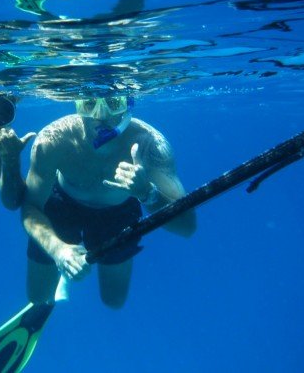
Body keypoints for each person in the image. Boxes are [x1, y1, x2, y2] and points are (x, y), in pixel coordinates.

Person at [22, 96, 196, 308]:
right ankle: (62, 274)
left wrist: (147, 193)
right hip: (62, 204)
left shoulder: (149, 144)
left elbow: (187, 226)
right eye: (89, 104)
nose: (100, 115)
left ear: (128, 105)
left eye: (113, 103)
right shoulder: (53, 140)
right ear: (76, 104)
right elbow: (30, 207)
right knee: (38, 297)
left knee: (113, 301)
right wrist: (58, 250)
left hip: (117, 212)